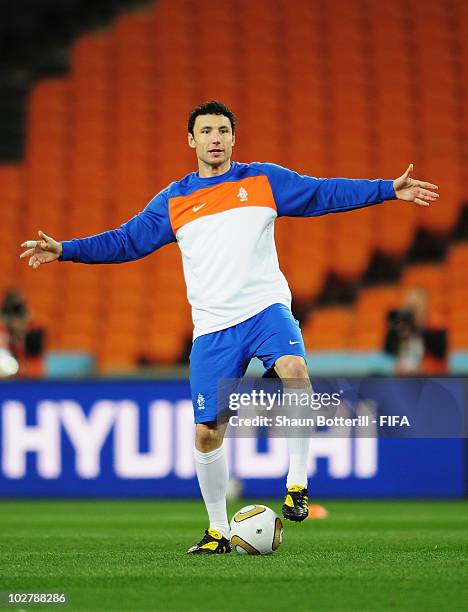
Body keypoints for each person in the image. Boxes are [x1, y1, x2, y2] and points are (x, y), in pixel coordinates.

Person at [20, 100, 439, 554]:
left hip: (265, 308)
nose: (215, 138)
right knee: (207, 433)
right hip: (214, 327)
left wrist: (385, 189)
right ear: (191, 140)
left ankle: (297, 483)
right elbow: (127, 241)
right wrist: (66, 249)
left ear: (234, 138)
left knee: (295, 370)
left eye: (223, 130)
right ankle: (218, 529)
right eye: (206, 131)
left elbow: (322, 193)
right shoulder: (174, 200)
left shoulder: (262, 181)